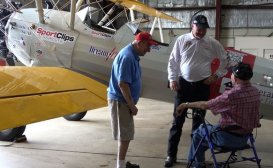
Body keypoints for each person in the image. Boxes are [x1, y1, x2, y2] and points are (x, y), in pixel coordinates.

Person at [165, 14, 229, 167]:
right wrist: (172, 78)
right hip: (183, 86)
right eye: (199, 29)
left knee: (199, 125)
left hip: (202, 87)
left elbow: (226, 59)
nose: (201, 32)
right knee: (177, 123)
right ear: (192, 26)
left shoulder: (212, 43)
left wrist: (216, 76)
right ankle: (170, 156)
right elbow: (173, 60)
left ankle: (194, 158)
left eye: (204, 29)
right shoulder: (182, 40)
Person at [176, 62, 261, 168]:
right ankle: (199, 161)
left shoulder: (231, 95)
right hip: (245, 138)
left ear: (235, 76)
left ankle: (196, 165)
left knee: (199, 132)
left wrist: (185, 104)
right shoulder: (255, 92)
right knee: (204, 135)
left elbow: (205, 105)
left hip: (227, 139)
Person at [107, 32, 158, 168]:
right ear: (139, 43)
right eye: (148, 46)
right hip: (121, 101)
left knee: (126, 135)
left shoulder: (132, 55)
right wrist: (132, 105)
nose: (149, 50)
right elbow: (122, 84)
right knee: (125, 136)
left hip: (124, 101)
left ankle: (122, 163)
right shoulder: (127, 57)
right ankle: (120, 166)